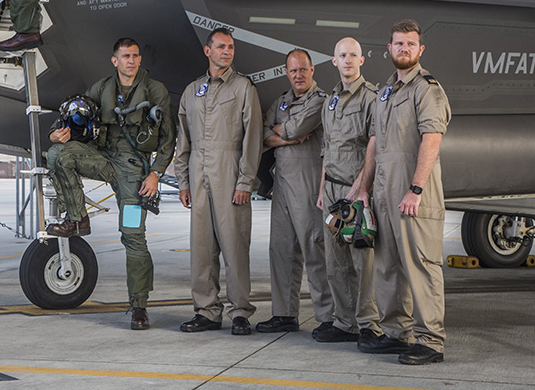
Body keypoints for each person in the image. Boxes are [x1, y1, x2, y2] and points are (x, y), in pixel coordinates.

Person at [46, 38, 176, 330]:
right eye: (125, 56)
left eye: (135, 56)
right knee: (57, 154)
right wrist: (56, 134)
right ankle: (77, 219)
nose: (131, 61)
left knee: (133, 235)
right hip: (103, 159)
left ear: (140, 59)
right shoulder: (102, 88)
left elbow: (169, 139)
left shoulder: (155, 91)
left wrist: (155, 173)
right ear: (114, 60)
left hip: (134, 172)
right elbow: (71, 116)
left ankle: (139, 307)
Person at [354, 20, 450, 365]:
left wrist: (416, 188)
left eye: (411, 44)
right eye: (398, 43)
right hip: (383, 192)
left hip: (413, 195)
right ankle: (398, 334)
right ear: (389, 49)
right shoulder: (386, 91)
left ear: (420, 50)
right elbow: (375, 142)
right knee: (388, 266)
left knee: (421, 265)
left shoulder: (427, 89)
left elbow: (432, 139)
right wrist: (363, 189)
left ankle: (430, 340)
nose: (404, 49)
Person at [173, 28, 263, 336]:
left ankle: (240, 311)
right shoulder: (192, 91)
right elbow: (182, 141)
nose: (227, 52)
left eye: (231, 47)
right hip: (198, 171)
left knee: (234, 244)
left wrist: (245, 182)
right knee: (201, 247)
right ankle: (207, 311)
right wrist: (183, 182)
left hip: (229, 169)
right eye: (221, 47)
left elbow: (253, 139)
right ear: (207, 51)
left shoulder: (242, 88)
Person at [256, 49, 334, 335]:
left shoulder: (320, 101)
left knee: (315, 249)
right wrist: (286, 139)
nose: (298, 75)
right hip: (283, 186)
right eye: (293, 71)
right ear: (286, 72)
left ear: (312, 70)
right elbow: (263, 133)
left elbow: (297, 126)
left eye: (303, 70)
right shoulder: (281, 101)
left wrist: (280, 132)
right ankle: (284, 314)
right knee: (281, 249)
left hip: (309, 183)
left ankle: (328, 317)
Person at [314, 37, 381, 345]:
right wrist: (321, 189)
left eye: (354, 55)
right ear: (334, 60)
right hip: (331, 190)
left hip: (356, 192)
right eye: (343, 55)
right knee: (335, 261)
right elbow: (327, 148)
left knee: (362, 262)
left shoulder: (370, 98)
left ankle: (369, 324)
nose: (349, 60)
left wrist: (361, 187)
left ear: (361, 60)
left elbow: (374, 144)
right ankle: (344, 322)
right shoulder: (331, 100)